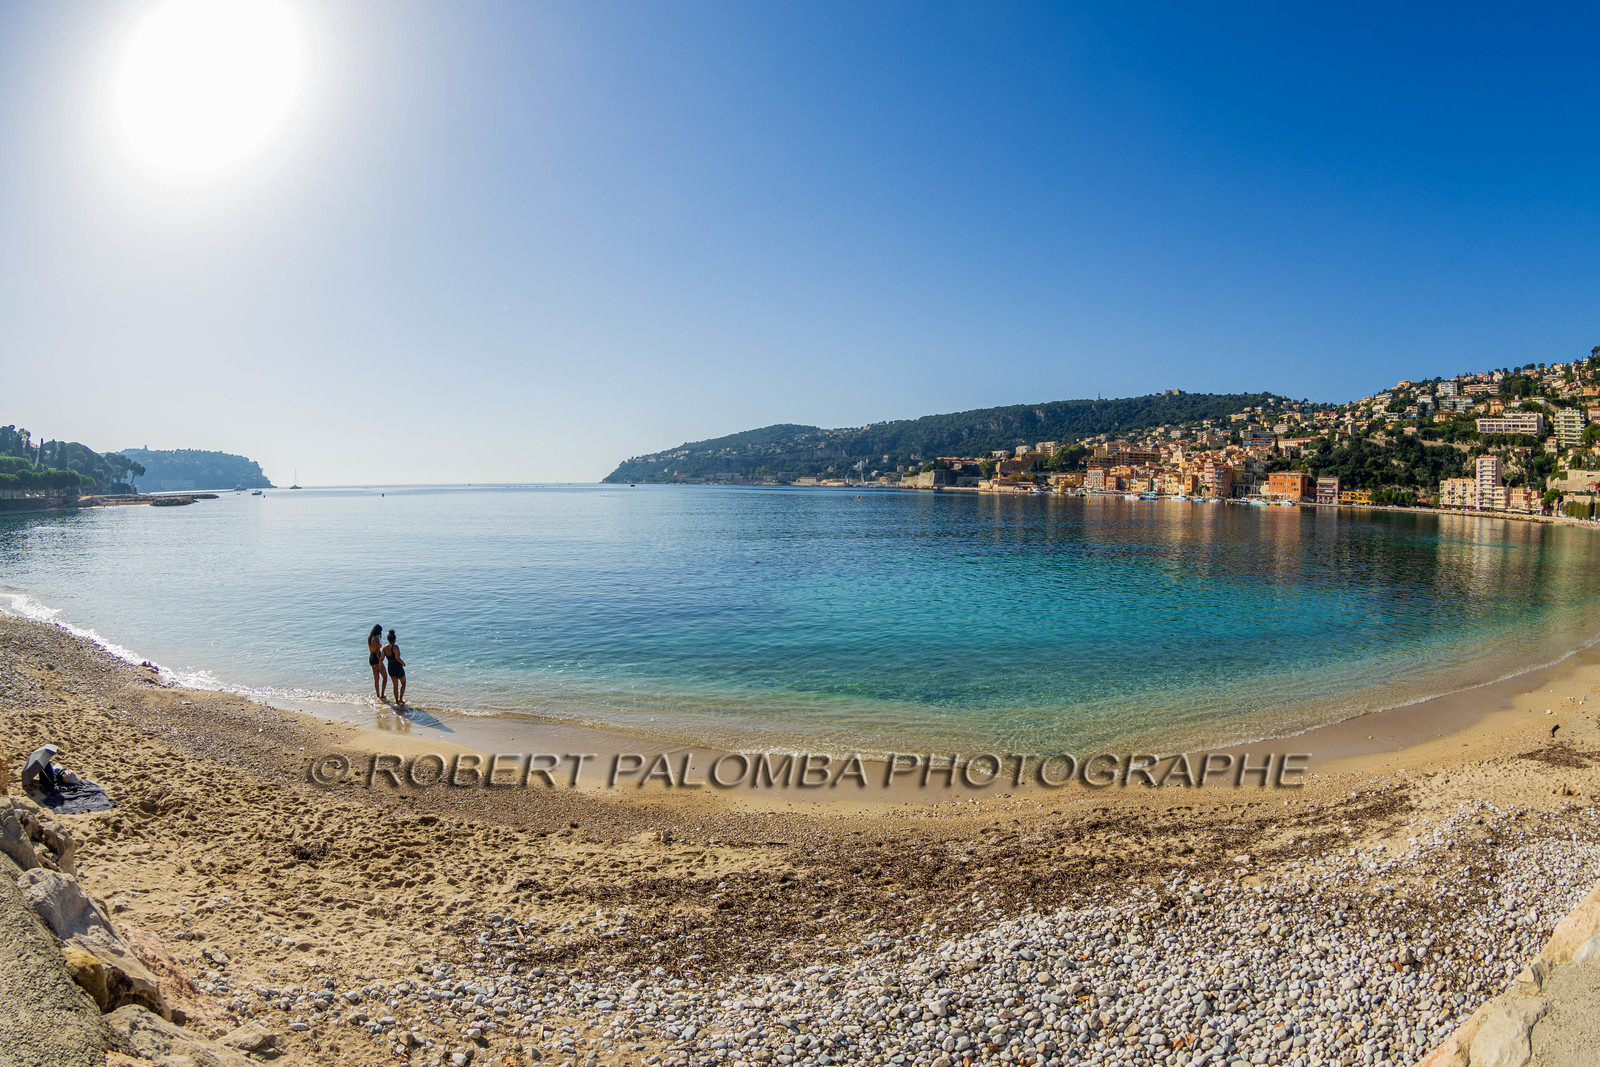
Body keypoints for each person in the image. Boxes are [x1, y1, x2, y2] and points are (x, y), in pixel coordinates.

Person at [383, 629, 407, 704]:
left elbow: (381, 658)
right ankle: (400, 699)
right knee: (403, 683)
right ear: (394, 639)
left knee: (395, 685)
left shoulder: (384, 647)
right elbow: (397, 658)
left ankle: (396, 701)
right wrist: (403, 663)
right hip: (397, 666)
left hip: (390, 666)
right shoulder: (395, 647)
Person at [367, 624, 388, 700]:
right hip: (376, 658)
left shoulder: (370, 638)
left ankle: (378, 695)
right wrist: (380, 661)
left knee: (376, 678)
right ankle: (382, 694)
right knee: (385, 677)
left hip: (371, 658)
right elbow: (377, 651)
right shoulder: (376, 639)